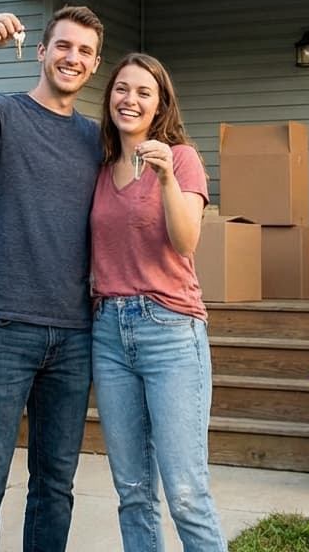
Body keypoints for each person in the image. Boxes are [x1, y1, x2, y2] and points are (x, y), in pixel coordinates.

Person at [0, 4, 104, 552]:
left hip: (75, 334)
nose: (71, 58)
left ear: (95, 65)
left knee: (55, 486)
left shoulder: (97, 141)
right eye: (63, 46)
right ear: (42, 51)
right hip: (2, 326)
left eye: (83, 51)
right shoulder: (3, 114)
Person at [90, 53, 227, 552]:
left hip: (169, 329)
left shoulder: (182, 158)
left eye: (144, 92)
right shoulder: (101, 166)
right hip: (107, 332)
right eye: (121, 89)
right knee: (131, 490)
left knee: (186, 492)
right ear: (109, 98)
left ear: (160, 104)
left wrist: (166, 177)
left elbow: (186, 241)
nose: (130, 99)